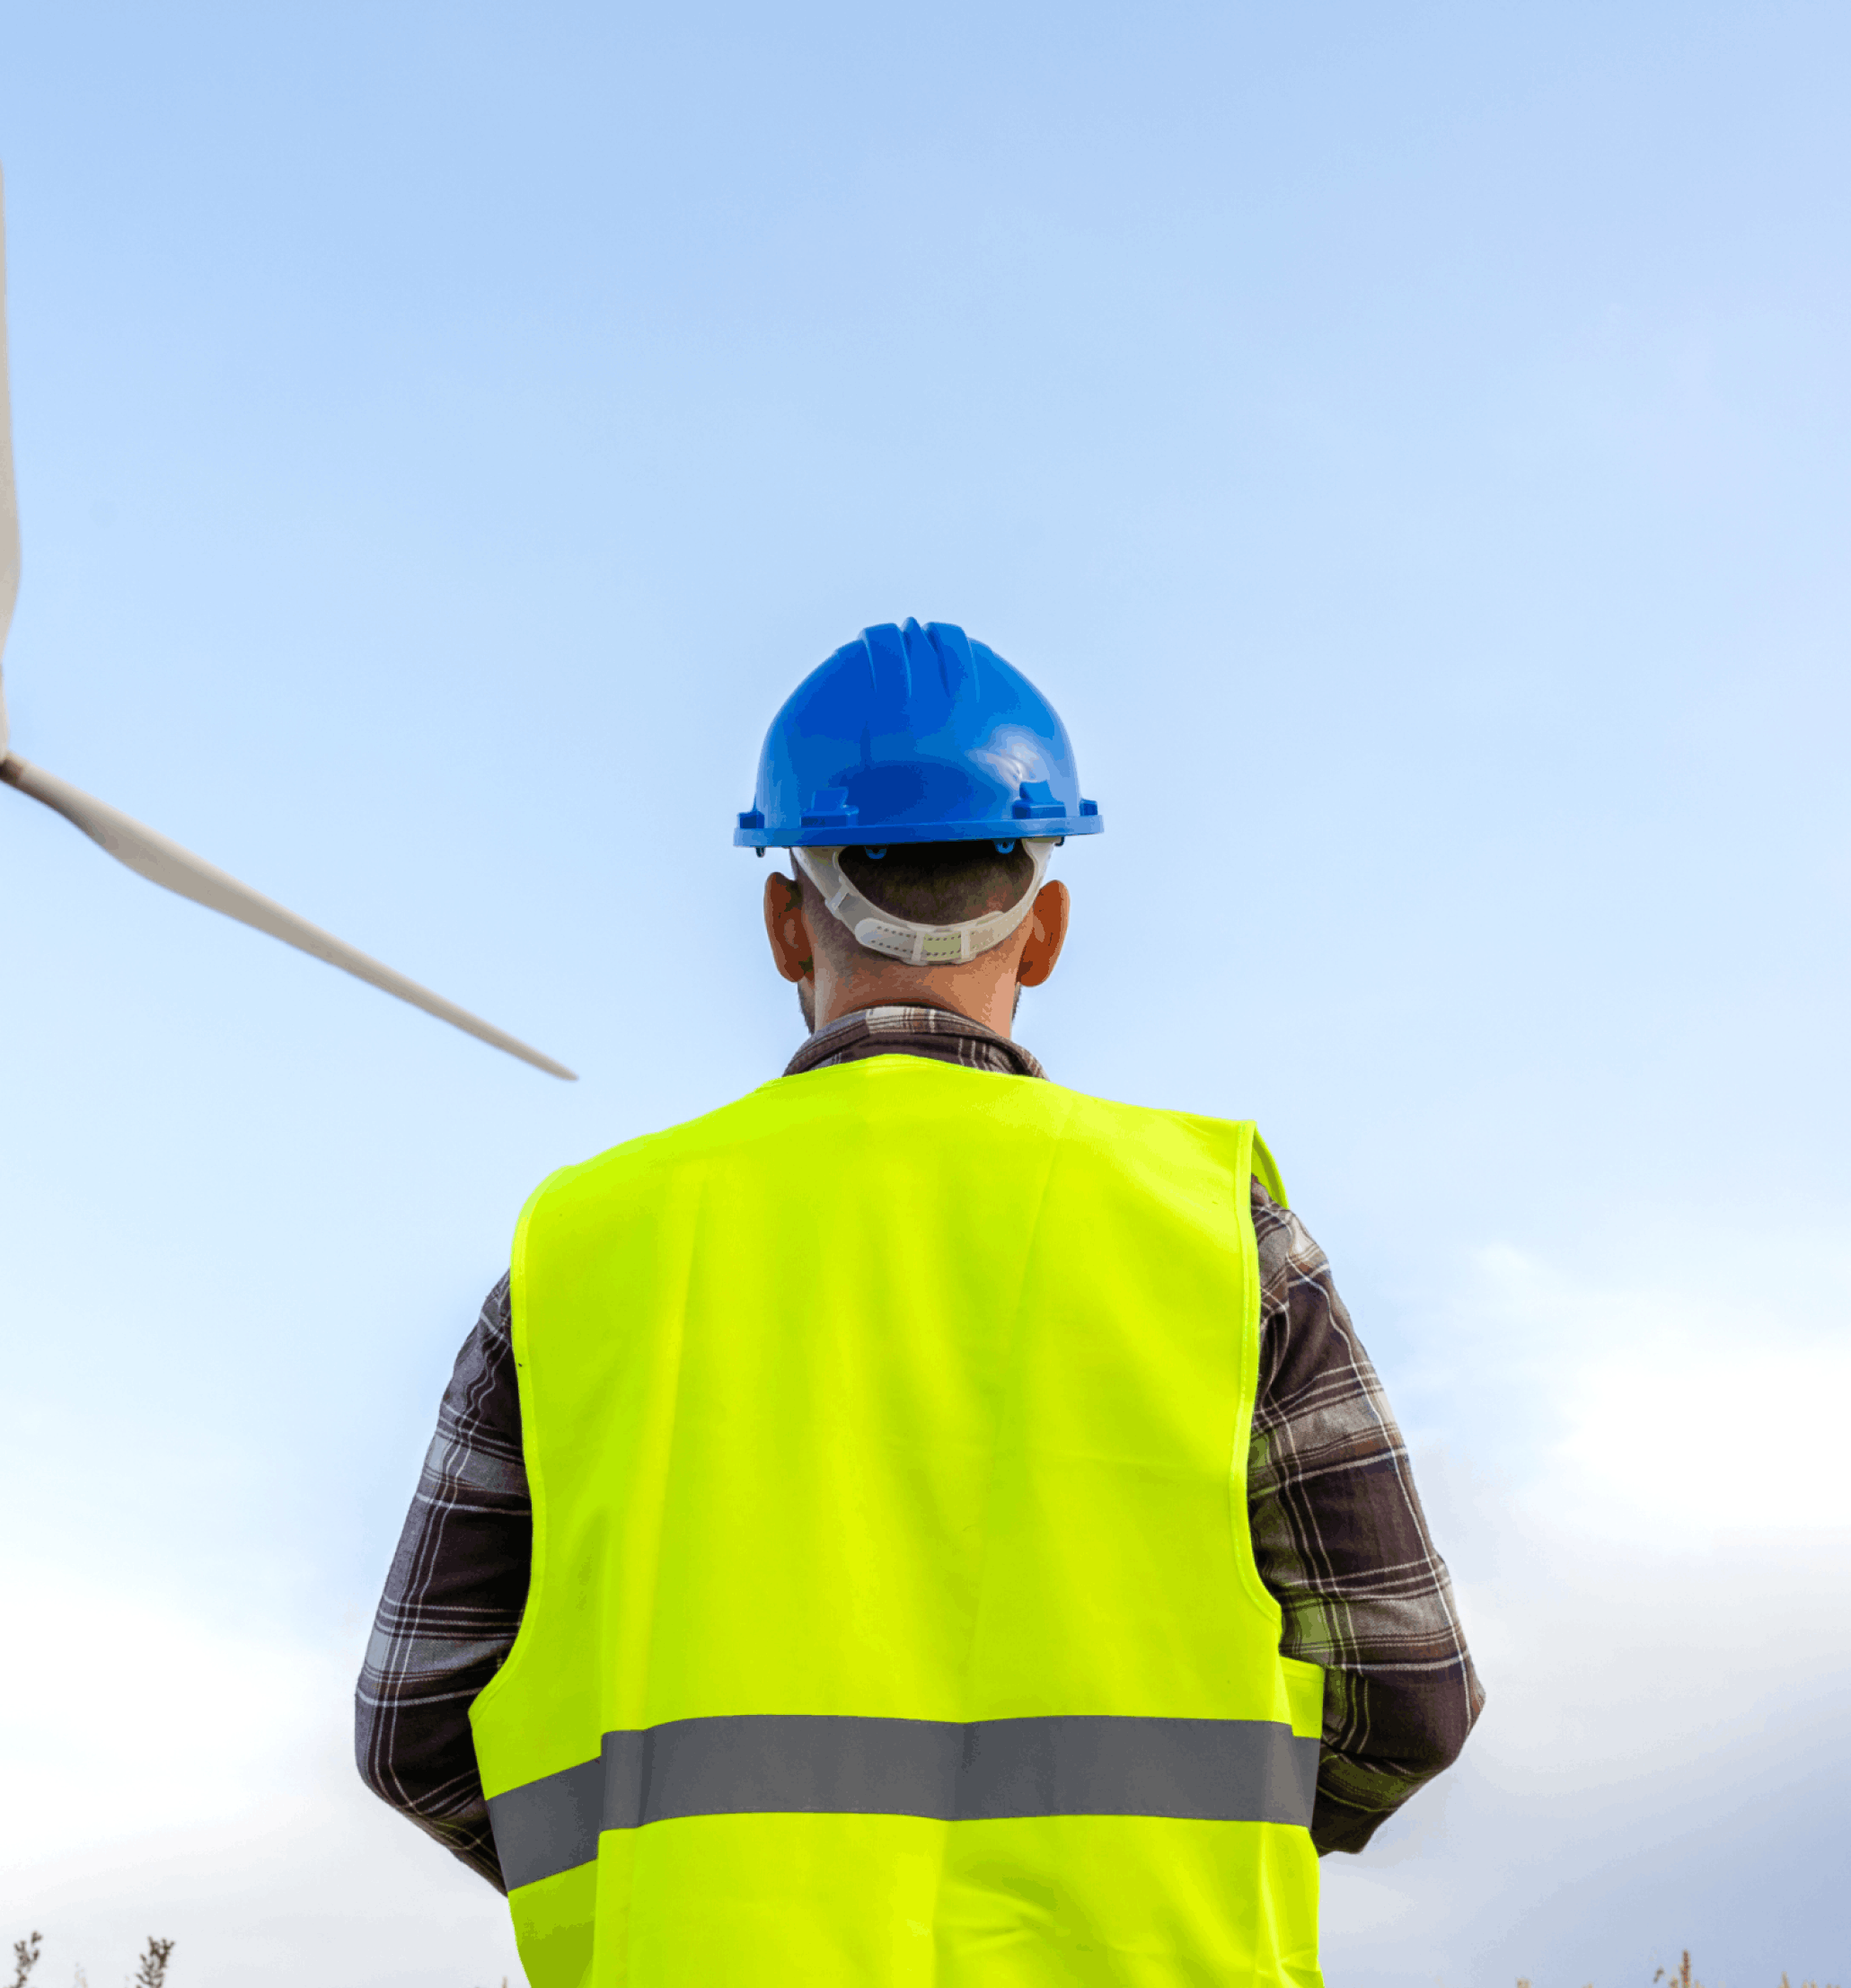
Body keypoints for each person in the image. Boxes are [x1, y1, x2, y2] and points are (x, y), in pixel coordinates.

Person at [356, 621, 1480, 1986]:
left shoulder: (582, 1251)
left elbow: (416, 1723)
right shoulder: (1219, 1234)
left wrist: (662, 1879)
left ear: (785, 923)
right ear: (1046, 930)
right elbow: (1407, 1694)